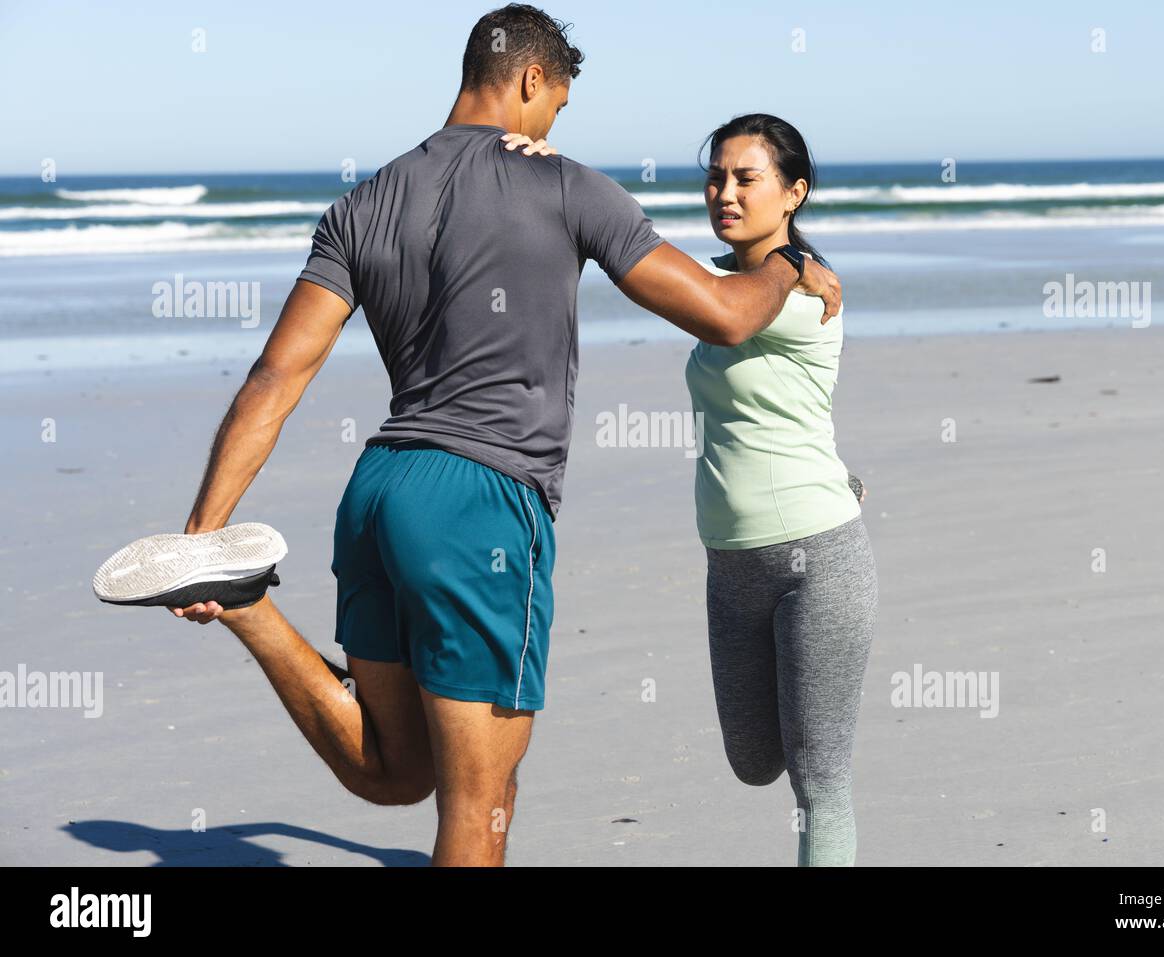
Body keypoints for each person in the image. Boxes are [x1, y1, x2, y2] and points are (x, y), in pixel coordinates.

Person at [111, 4, 841, 866]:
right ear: (533, 80)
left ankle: (248, 602)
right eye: (558, 106)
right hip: (482, 504)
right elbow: (724, 316)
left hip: (379, 492)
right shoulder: (566, 184)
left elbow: (275, 379)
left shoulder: (363, 201)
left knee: (393, 768)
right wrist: (789, 261)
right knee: (477, 801)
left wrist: (204, 531)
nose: (554, 125)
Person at [686, 114, 879, 866]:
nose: (724, 192)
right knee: (752, 759)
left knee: (819, 781)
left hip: (817, 560)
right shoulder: (729, 289)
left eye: (746, 177)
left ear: (794, 193)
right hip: (730, 568)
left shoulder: (803, 298)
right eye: (716, 176)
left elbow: (731, 319)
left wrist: (795, 266)